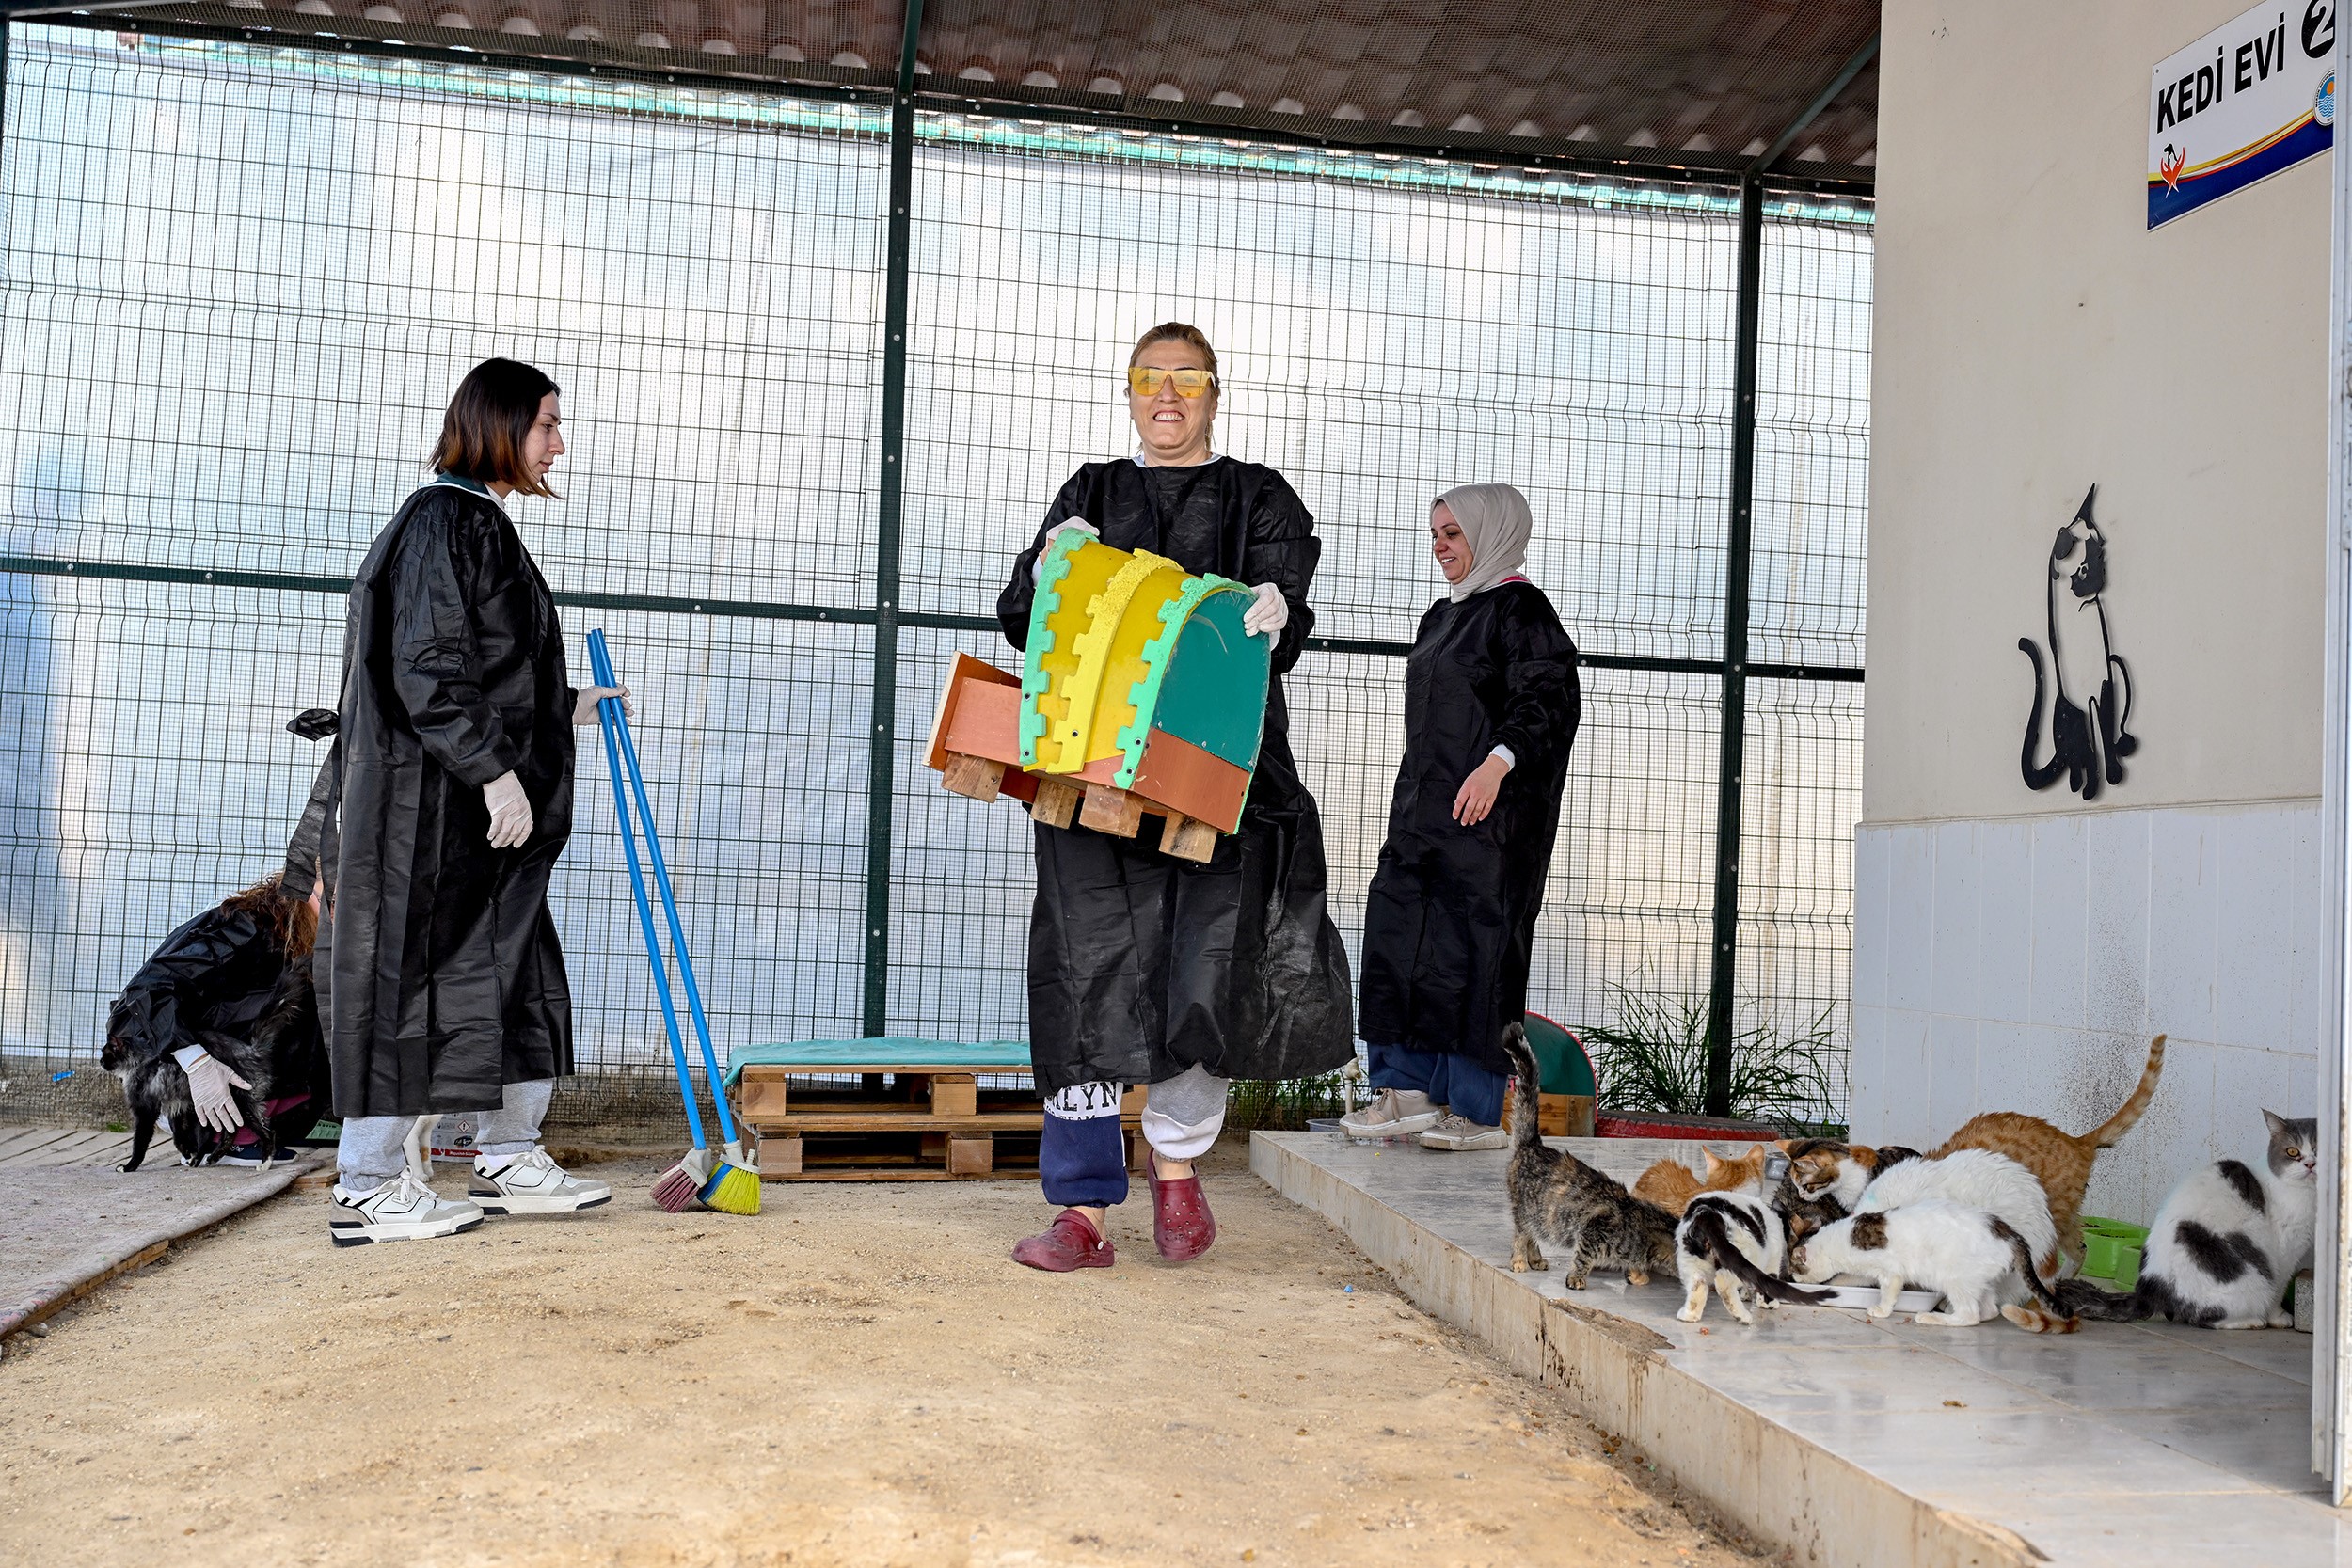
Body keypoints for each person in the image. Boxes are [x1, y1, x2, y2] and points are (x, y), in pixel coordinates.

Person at [993, 322, 1356, 1271]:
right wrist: (1046, 563)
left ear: (1213, 392)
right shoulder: (1091, 493)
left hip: (1216, 782)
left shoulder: (1257, 496)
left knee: (1202, 976)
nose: (1166, 395)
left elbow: (1285, 601)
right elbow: (1024, 621)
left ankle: (1181, 1168)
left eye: (1185, 378)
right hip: (1093, 776)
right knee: (1087, 972)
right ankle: (1080, 1210)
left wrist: (1281, 609)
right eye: (1148, 377)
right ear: (1128, 391)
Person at [317, 357, 628, 1244]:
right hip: (435, 810)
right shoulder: (443, 522)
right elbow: (429, 669)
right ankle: (370, 1182)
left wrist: (566, 708)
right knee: (410, 973)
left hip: (479, 808)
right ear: (498, 427)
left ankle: (508, 1151)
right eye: (546, 426)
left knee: (518, 966)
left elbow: (490, 669)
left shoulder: (476, 524)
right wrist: (495, 773)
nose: (559, 444)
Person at [1343, 483, 1581, 1149]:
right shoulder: (1439, 619)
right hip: (1423, 814)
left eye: (1453, 533)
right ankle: (1405, 1091)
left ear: (1491, 530)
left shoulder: (1521, 610)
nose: (1440, 546)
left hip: (1491, 825)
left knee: (1473, 949)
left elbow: (1550, 697)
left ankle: (1474, 1108)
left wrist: (1499, 761)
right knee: (1399, 937)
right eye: (1436, 533)